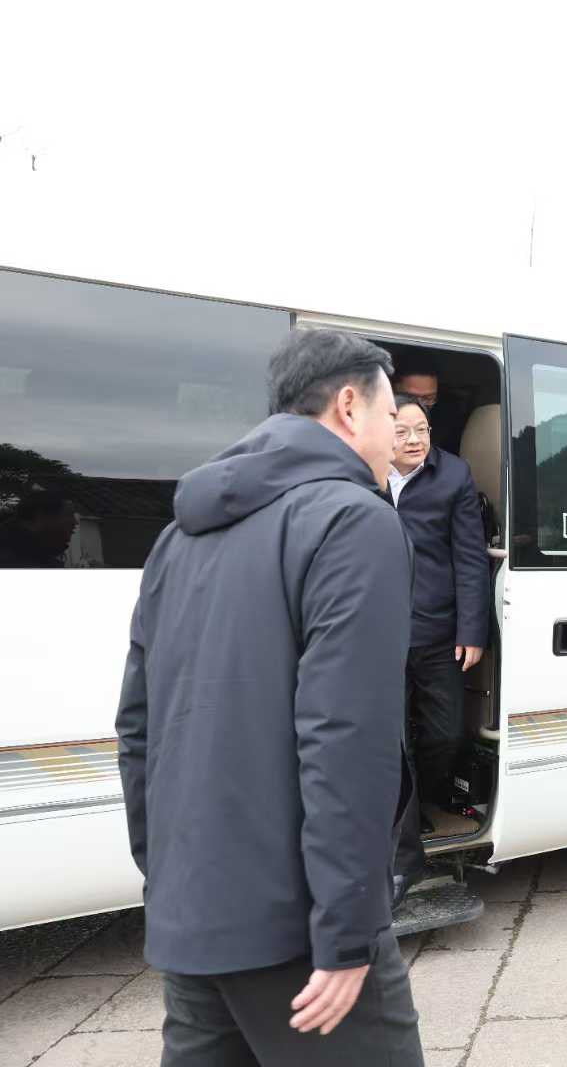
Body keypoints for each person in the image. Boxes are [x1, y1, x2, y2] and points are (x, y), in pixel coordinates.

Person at [115, 327, 424, 1066]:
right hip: (295, 926)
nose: (396, 438)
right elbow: (344, 736)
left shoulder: (179, 535)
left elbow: (138, 726)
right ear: (348, 406)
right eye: (391, 416)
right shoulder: (354, 520)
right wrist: (346, 930)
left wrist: (167, 878)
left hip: (192, 908)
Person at [387, 394, 491, 904]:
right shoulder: (359, 473)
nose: (414, 440)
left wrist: (472, 630)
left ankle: (424, 798)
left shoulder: (452, 476)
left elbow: (470, 558)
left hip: (437, 632)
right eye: (403, 431)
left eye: (422, 430)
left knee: (445, 734)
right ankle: (401, 851)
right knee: (393, 744)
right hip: (375, 635)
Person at [393, 354, 469, 455]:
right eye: (411, 398)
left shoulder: (447, 418)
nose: (420, 405)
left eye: (428, 398)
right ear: (393, 390)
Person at [0, 491, 77, 567]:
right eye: (69, 515)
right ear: (41, 517)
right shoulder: (13, 561)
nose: (75, 522)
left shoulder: (36, 556)